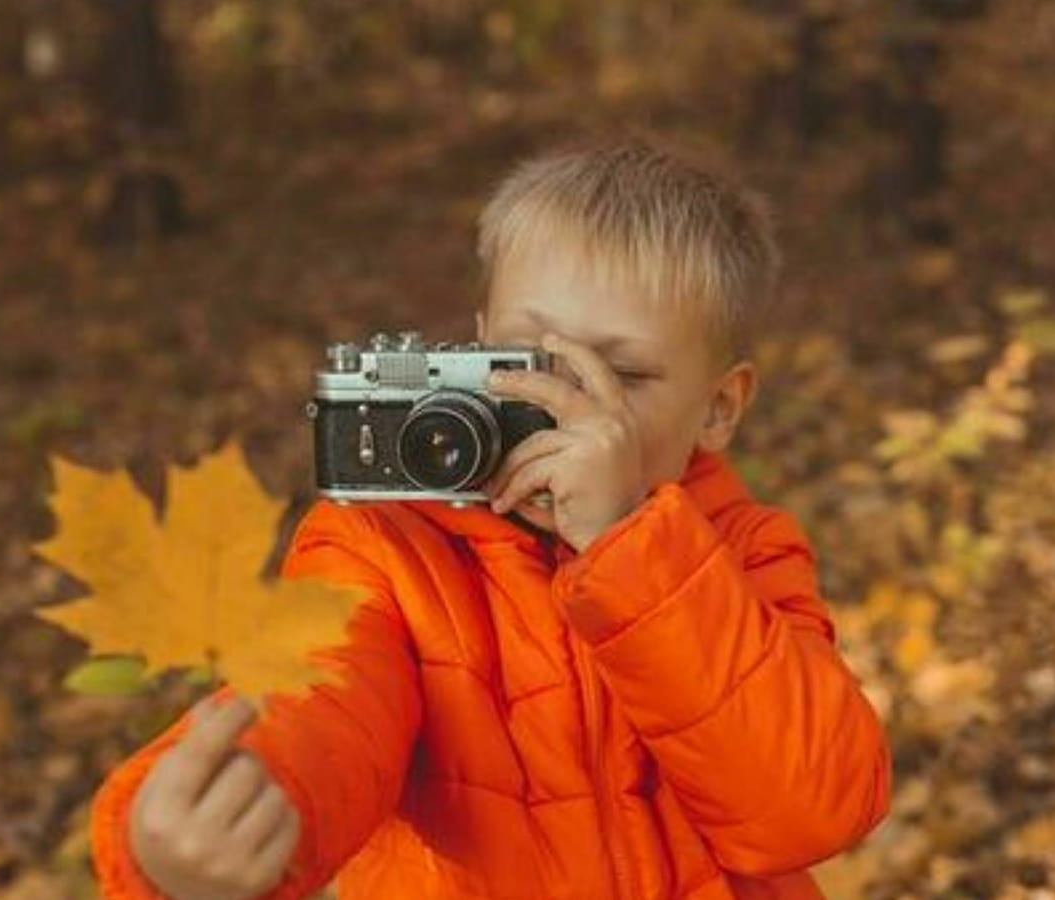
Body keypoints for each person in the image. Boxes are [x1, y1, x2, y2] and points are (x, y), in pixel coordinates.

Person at [87, 133, 891, 900]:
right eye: (524, 361)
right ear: (473, 349)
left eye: (623, 374)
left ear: (718, 408)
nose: (564, 406)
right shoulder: (383, 551)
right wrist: (224, 817)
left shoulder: (742, 553)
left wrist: (628, 547)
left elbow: (811, 809)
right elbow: (325, 701)